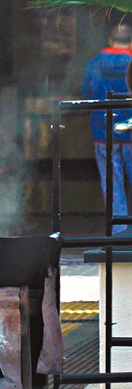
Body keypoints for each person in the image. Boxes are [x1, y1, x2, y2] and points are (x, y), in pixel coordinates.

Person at [83, 22, 132, 233]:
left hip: (104, 134)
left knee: (112, 186)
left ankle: (119, 236)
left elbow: (86, 94)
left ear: (110, 41)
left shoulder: (93, 64)